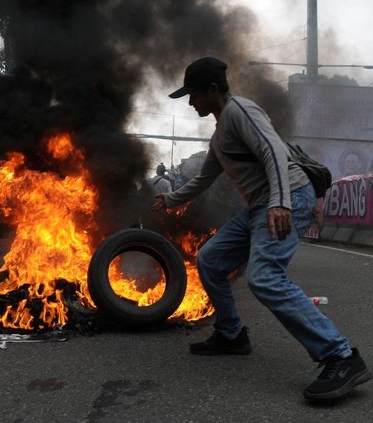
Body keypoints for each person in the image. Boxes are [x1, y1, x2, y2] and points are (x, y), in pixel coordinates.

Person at [152, 57, 372, 400]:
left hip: (289, 197)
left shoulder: (242, 111)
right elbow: (204, 178)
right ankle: (231, 335)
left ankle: (340, 356)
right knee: (210, 258)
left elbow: (272, 152)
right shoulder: (220, 132)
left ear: (213, 89)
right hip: (259, 206)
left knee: (266, 277)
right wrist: (170, 200)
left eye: (193, 94)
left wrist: (281, 202)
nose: (191, 101)